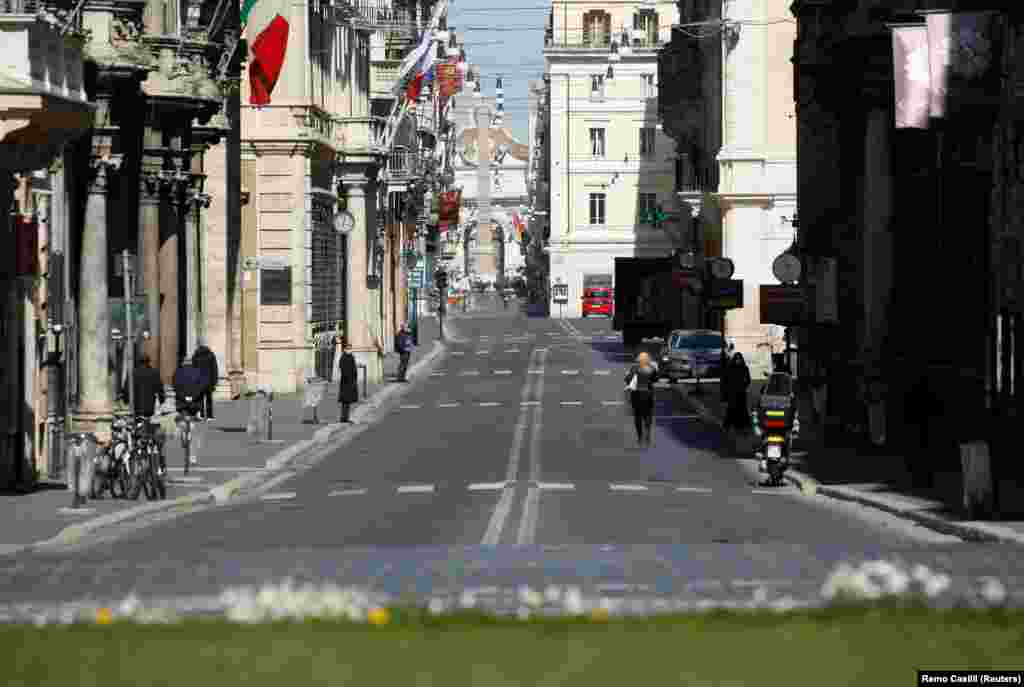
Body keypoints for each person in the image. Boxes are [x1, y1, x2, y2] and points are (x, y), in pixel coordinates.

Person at [625, 351, 659, 447]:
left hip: (636, 395)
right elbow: (656, 378)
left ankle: (640, 437)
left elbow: (627, 380)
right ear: (648, 360)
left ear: (638, 360)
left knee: (637, 416)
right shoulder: (652, 368)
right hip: (648, 394)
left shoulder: (634, 368)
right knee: (648, 415)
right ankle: (647, 434)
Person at [722, 352, 752, 434]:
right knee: (731, 409)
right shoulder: (730, 368)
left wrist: (744, 386)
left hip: (741, 392)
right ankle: (727, 425)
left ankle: (740, 426)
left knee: (742, 409)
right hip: (732, 392)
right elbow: (725, 381)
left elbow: (748, 379)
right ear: (734, 359)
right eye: (737, 359)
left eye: (739, 359)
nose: (738, 361)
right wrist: (726, 392)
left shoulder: (745, 368)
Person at [192, 341, 219, 421]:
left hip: (199, 381)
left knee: (199, 398)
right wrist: (215, 381)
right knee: (209, 399)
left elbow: (193, 370)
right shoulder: (211, 355)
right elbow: (214, 369)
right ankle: (209, 416)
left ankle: (201, 414)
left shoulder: (195, 356)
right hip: (209, 381)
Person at [337, 338, 359, 423]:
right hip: (346, 382)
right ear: (345, 349)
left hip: (351, 381)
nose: (350, 350)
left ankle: (346, 417)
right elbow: (343, 369)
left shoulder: (351, 356)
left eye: (351, 348)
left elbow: (353, 368)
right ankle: (344, 418)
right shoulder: (343, 357)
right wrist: (349, 377)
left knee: (348, 401)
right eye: (348, 348)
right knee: (345, 401)